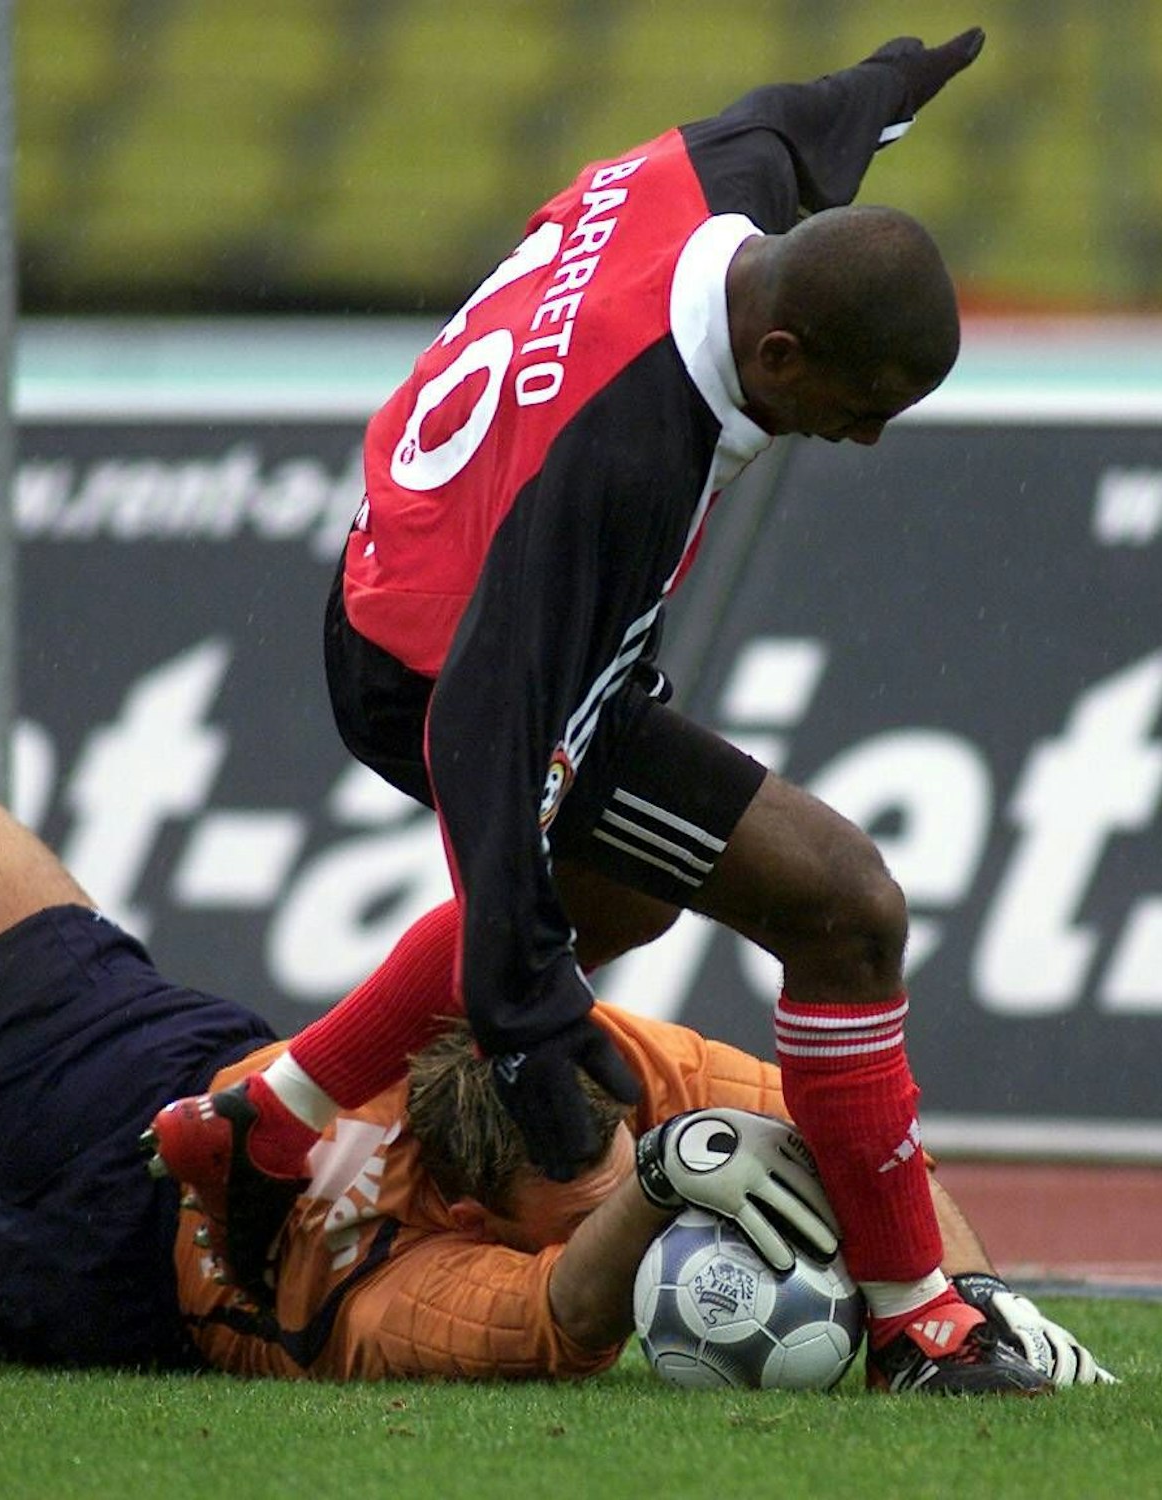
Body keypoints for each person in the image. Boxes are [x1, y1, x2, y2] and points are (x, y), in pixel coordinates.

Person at [148, 28, 1035, 1395]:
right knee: (842, 904)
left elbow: (800, 123)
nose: (861, 441)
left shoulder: (712, 188)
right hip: (440, 665)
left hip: (418, 563)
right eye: (857, 411)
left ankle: (272, 1114)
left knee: (624, 903)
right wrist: (524, 1017)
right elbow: (482, 735)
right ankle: (923, 1324)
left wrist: (890, 85)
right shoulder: (625, 464)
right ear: (782, 351)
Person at [0, 710, 1107, 1389]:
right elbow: (573, 1319)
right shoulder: (417, 1289)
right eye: (589, 1191)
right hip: (107, 1263)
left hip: (151, 1108)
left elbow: (843, 1114)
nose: (611, 1190)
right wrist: (657, 1190)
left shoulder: (586, 1056)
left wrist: (963, 1304)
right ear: (494, 1214)